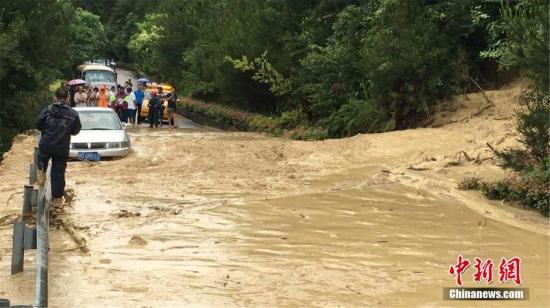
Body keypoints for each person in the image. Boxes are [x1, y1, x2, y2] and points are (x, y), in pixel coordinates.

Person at [35, 87, 82, 207]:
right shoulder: (72, 113)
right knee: (58, 173)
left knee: (42, 156)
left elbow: (39, 125)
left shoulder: (47, 110)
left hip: (46, 144)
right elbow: (76, 131)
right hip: (62, 147)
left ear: (55, 98)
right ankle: (57, 200)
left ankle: (42, 173)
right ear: (67, 98)